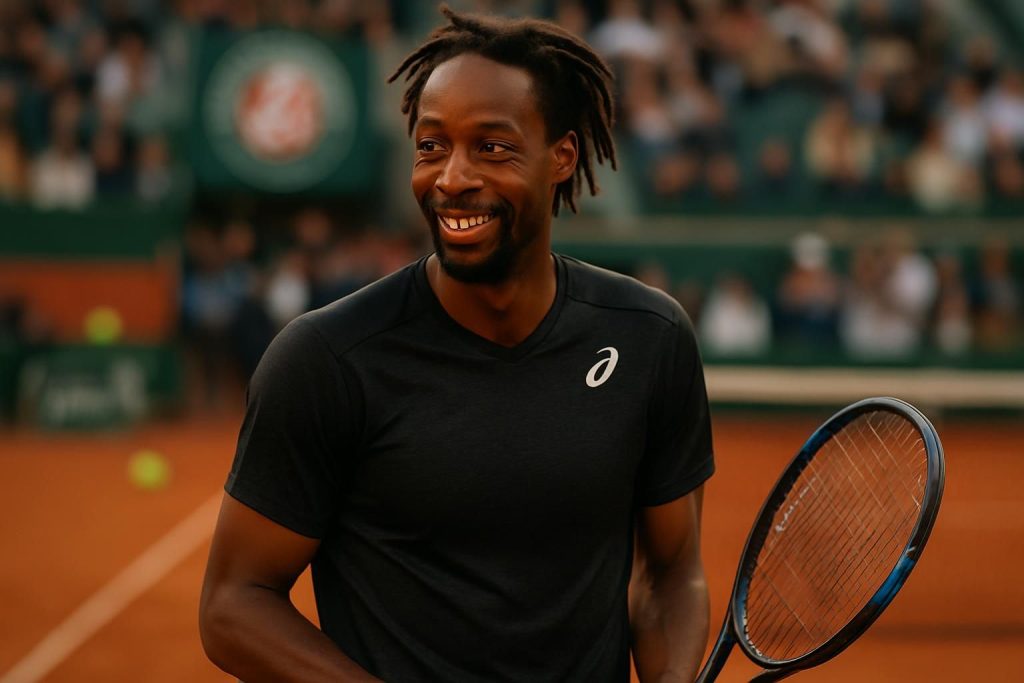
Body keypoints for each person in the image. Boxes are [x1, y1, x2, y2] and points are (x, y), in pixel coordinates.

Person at [199, 7, 715, 682]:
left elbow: (671, 571)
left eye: (492, 147)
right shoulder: (327, 359)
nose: (450, 178)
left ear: (562, 157)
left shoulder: (650, 337)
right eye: (432, 146)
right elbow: (233, 604)